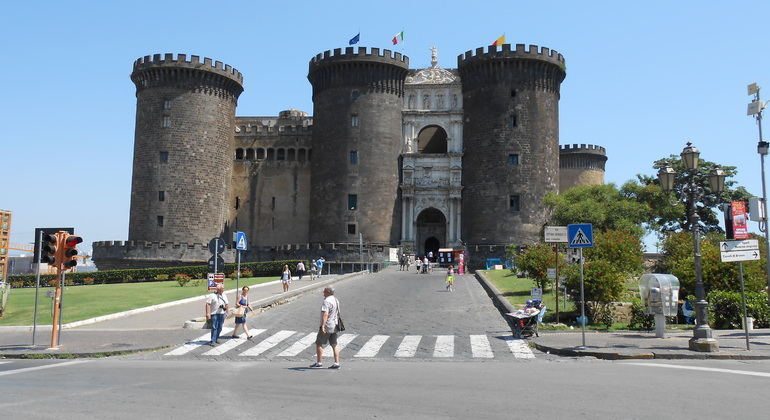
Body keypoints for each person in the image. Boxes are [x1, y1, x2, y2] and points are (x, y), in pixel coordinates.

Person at [309, 285, 341, 369]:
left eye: (324, 291)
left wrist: (323, 326)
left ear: (328, 292)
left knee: (319, 343)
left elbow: (325, 314)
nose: (323, 292)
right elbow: (338, 312)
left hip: (327, 325)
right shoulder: (336, 300)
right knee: (334, 344)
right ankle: (336, 363)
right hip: (334, 325)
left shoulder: (326, 301)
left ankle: (319, 362)